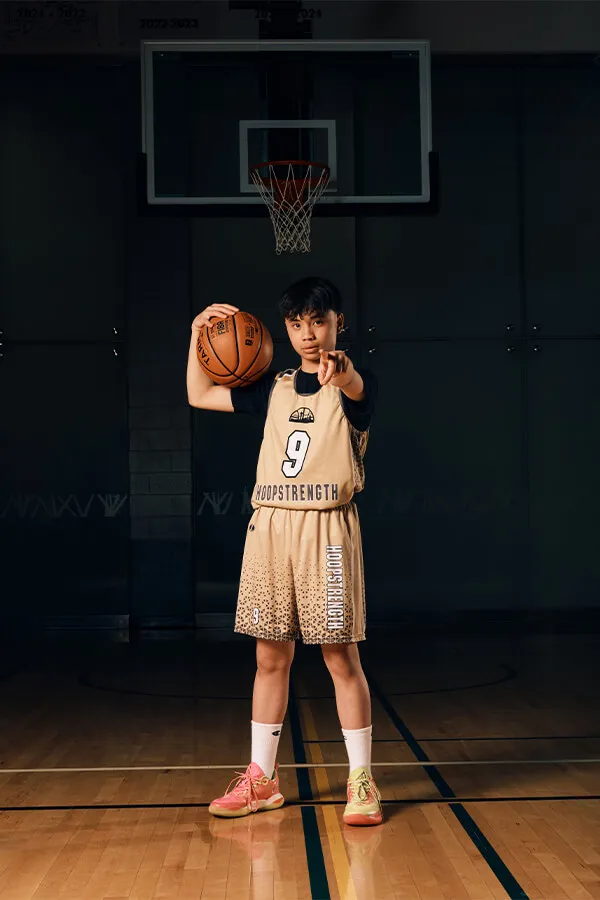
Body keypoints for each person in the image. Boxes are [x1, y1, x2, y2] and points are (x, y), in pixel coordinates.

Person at [186, 276, 382, 826]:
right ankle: (262, 779)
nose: (308, 334)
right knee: (269, 657)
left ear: (337, 321)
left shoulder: (350, 385)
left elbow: (356, 385)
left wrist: (343, 373)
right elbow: (198, 393)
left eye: (318, 321)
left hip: (327, 534)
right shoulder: (272, 387)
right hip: (271, 529)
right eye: (297, 324)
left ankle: (362, 780)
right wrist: (199, 332)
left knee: (340, 657)